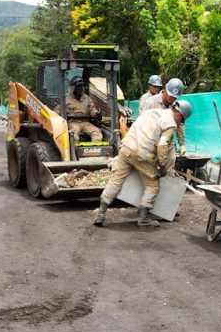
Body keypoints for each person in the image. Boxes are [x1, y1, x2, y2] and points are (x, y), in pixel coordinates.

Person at [92, 100, 191, 228]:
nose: (179, 123)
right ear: (180, 115)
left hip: (126, 148)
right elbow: (162, 145)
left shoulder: (152, 112)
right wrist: (162, 166)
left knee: (115, 181)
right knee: (153, 185)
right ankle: (144, 219)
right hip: (142, 155)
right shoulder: (171, 123)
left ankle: (101, 213)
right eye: (181, 120)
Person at [65, 75, 103, 142]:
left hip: (85, 122)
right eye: (78, 86)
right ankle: (74, 151)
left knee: (97, 132)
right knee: (73, 132)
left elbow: (92, 109)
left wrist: (96, 113)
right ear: (73, 88)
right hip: (73, 122)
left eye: (81, 86)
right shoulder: (66, 99)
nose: (80, 88)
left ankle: (93, 151)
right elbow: (57, 111)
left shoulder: (86, 98)